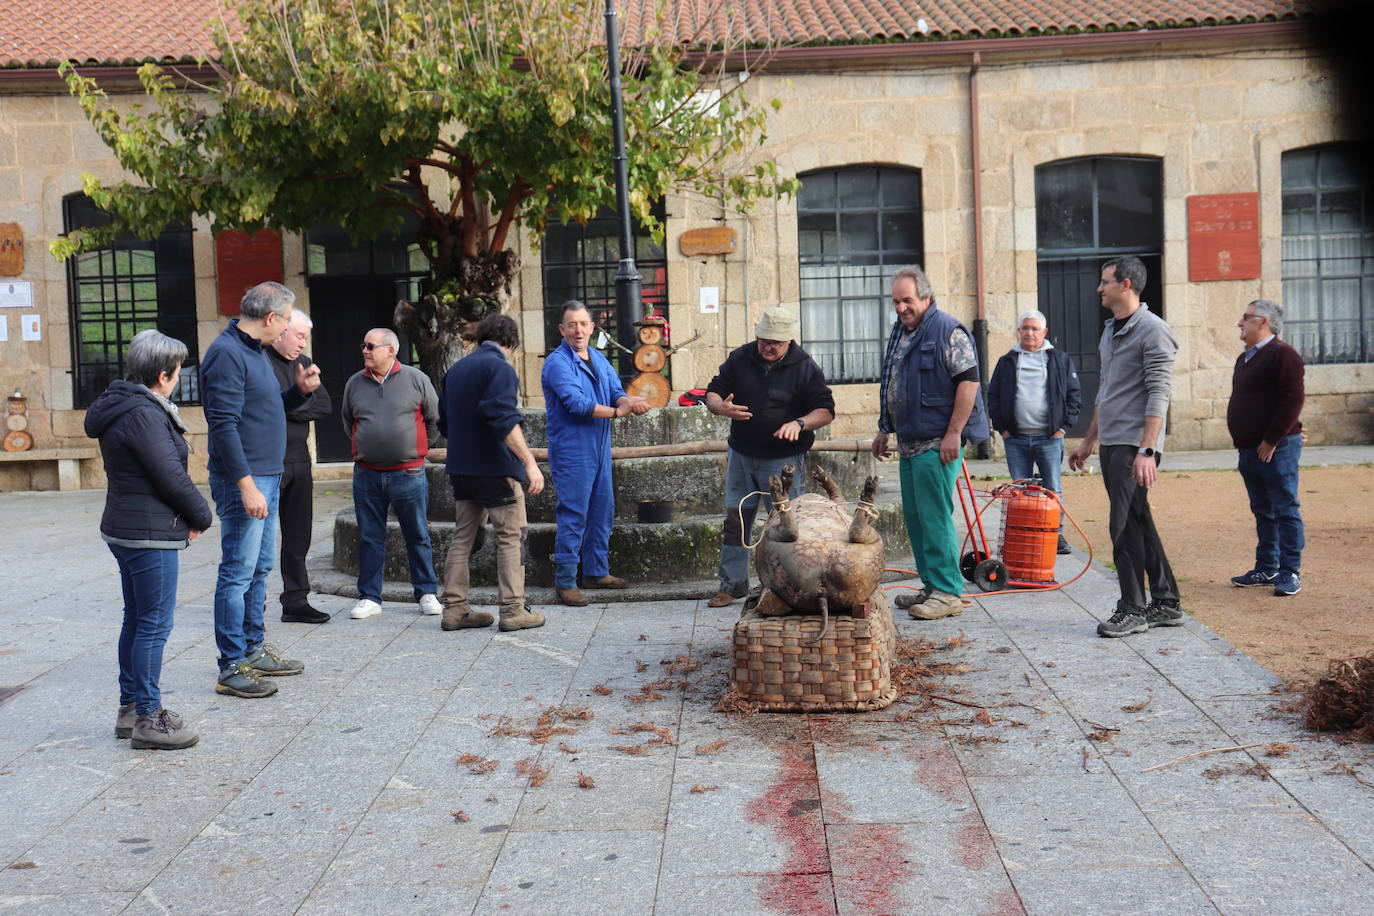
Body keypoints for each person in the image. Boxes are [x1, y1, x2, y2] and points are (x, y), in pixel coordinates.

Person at [86, 330, 214, 749]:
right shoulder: (144, 414)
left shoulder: (124, 404)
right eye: (177, 372)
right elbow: (169, 475)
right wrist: (201, 514)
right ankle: (147, 716)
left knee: (137, 619)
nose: (178, 378)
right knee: (153, 625)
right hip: (146, 534)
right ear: (163, 375)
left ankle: (131, 707)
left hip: (127, 527)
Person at [202, 281, 317, 698]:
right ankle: (231, 665)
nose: (288, 327)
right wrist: (246, 485)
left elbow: (262, 408)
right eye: (287, 319)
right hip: (246, 481)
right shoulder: (226, 354)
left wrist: (296, 393)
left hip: (267, 476)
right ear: (271, 319)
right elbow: (225, 425)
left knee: (259, 568)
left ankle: (252, 649)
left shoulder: (253, 352)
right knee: (237, 571)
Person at [1068, 256, 1184, 637]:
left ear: (1127, 285)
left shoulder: (1153, 331)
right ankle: (1165, 602)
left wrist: (1147, 450)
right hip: (1113, 442)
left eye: (1105, 282)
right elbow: (1106, 389)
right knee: (1137, 520)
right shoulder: (1110, 330)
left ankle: (1133, 607)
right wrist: (1088, 442)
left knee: (1122, 526)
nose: (1099, 289)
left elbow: (1159, 393)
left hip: (1136, 444)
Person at [872, 265, 990, 620]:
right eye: (895, 301)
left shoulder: (947, 330)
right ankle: (931, 585)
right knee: (917, 519)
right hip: (909, 441)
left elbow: (969, 383)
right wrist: (884, 428)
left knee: (935, 517)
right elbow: (891, 382)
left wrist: (954, 433)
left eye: (907, 300)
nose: (900, 307)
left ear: (925, 296)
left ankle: (948, 592)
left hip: (937, 442)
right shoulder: (902, 331)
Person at [704, 306, 835, 607]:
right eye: (764, 340)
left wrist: (799, 423)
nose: (768, 347)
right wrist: (720, 407)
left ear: (788, 340)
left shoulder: (804, 367)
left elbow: (825, 410)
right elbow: (712, 391)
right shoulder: (740, 357)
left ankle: (786, 588)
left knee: (785, 527)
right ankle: (732, 584)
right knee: (736, 521)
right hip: (741, 454)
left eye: (775, 342)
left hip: (784, 460)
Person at [438, 314, 547, 631]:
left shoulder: (456, 370)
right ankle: (513, 610)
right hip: (495, 470)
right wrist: (529, 463)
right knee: (511, 537)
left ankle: (455, 610)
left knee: (462, 538)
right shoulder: (500, 368)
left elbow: (445, 426)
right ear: (511, 343)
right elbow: (502, 418)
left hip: (460, 469)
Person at [541, 300, 649, 607]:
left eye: (583, 324)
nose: (578, 330)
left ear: (592, 327)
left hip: (600, 447)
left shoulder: (599, 359)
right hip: (573, 449)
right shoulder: (557, 363)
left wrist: (629, 401)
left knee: (603, 509)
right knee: (574, 513)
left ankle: (596, 572)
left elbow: (617, 391)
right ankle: (565, 581)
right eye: (571, 324)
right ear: (562, 329)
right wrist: (618, 412)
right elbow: (577, 405)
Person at [341, 327, 443, 620]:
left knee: (418, 534)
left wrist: (414, 448)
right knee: (370, 536)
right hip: (367, 474)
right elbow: (348, 422)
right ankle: (370, 597)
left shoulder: (416, 379)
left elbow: (435, 419)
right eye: (364, 345)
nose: (365, 351)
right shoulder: (354, 383)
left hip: (408, 473)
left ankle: (426, 592)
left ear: (391, 350)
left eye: (371, 346)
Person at [1226, 299, 1305, 596]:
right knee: (1263, 510)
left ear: (1264, 322)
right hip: (1249, 449)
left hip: (1275, 448)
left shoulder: (1283, 355)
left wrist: (1272, 439)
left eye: (1246, 317)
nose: (1240, 323)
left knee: (1285, 509)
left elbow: (1293, 399)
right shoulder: (1245, 358)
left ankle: (1290, 571)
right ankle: (1267, 566)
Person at [987, 309, 1082, 554]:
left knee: (1052, 488)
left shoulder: (1059, 360)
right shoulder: (1007, 361)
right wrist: (1002, 428)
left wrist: (1062, 428)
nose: (1029, 333)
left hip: (1049, 438)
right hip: (1015, 438)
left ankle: (1055, 536)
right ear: (1019, 331)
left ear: (1044, 332)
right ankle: (1021, 533)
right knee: (1019, 490)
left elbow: (1074, 395)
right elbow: (993, 396)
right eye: (1025, 328)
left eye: (1034, 329)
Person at [267, 310, 333, 623]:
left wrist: (292, 406)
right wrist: (297, 400)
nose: (303, 343)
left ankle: (295, 600)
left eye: (306, 337)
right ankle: (247, 601)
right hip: (268, 459)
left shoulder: (303, 364)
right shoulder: (261, 362)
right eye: (299, 336)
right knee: (259, 536)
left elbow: (324, 405)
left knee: (299, 533)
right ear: (280, 332)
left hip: (299, 458)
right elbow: (265, 409)